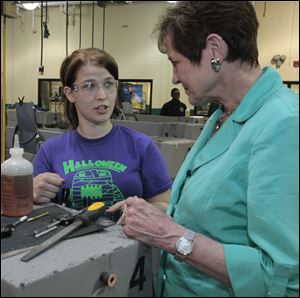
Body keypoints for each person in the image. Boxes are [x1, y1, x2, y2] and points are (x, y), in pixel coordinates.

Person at [108, 1, 299, 296]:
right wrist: (162, 215)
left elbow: (281, 277)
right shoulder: (222, 116)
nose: (174, 77)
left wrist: (169, 235)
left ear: (214, 50)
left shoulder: (284, 124)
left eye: (175, 62)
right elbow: (215, 220)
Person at [33, 48, 172, 221]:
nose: (102, 95)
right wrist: (31, 194)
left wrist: (141, 211)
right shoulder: (50, 151)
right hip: (67, 246)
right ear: (70, 93)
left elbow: (166, 207)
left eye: (108, 84)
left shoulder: (141, 146)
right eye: (89, 85)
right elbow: (33, 213)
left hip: (127, 247)